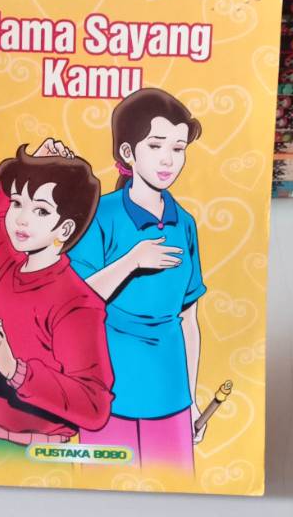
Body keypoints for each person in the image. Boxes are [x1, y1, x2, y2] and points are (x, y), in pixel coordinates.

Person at [68, 88, 206, 472]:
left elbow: (189, 320)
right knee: (103, 489)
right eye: (156, 145)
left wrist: (192, 398)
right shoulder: (100, 215)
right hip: (107, 394)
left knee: (175, 487)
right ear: (128, 152)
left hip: (171, 395)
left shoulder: (185, 223)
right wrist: (131, 261)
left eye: (178, 148)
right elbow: (74, 300)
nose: (168, 159)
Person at [0, 140, 113, 471]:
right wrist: (35, 164)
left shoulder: (77, 303)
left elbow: (94, 406)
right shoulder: (4, 269)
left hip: (43, 456)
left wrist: (13, 368)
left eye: (40, 210)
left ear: (65, 228)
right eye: (17, 203)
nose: (21, 219)